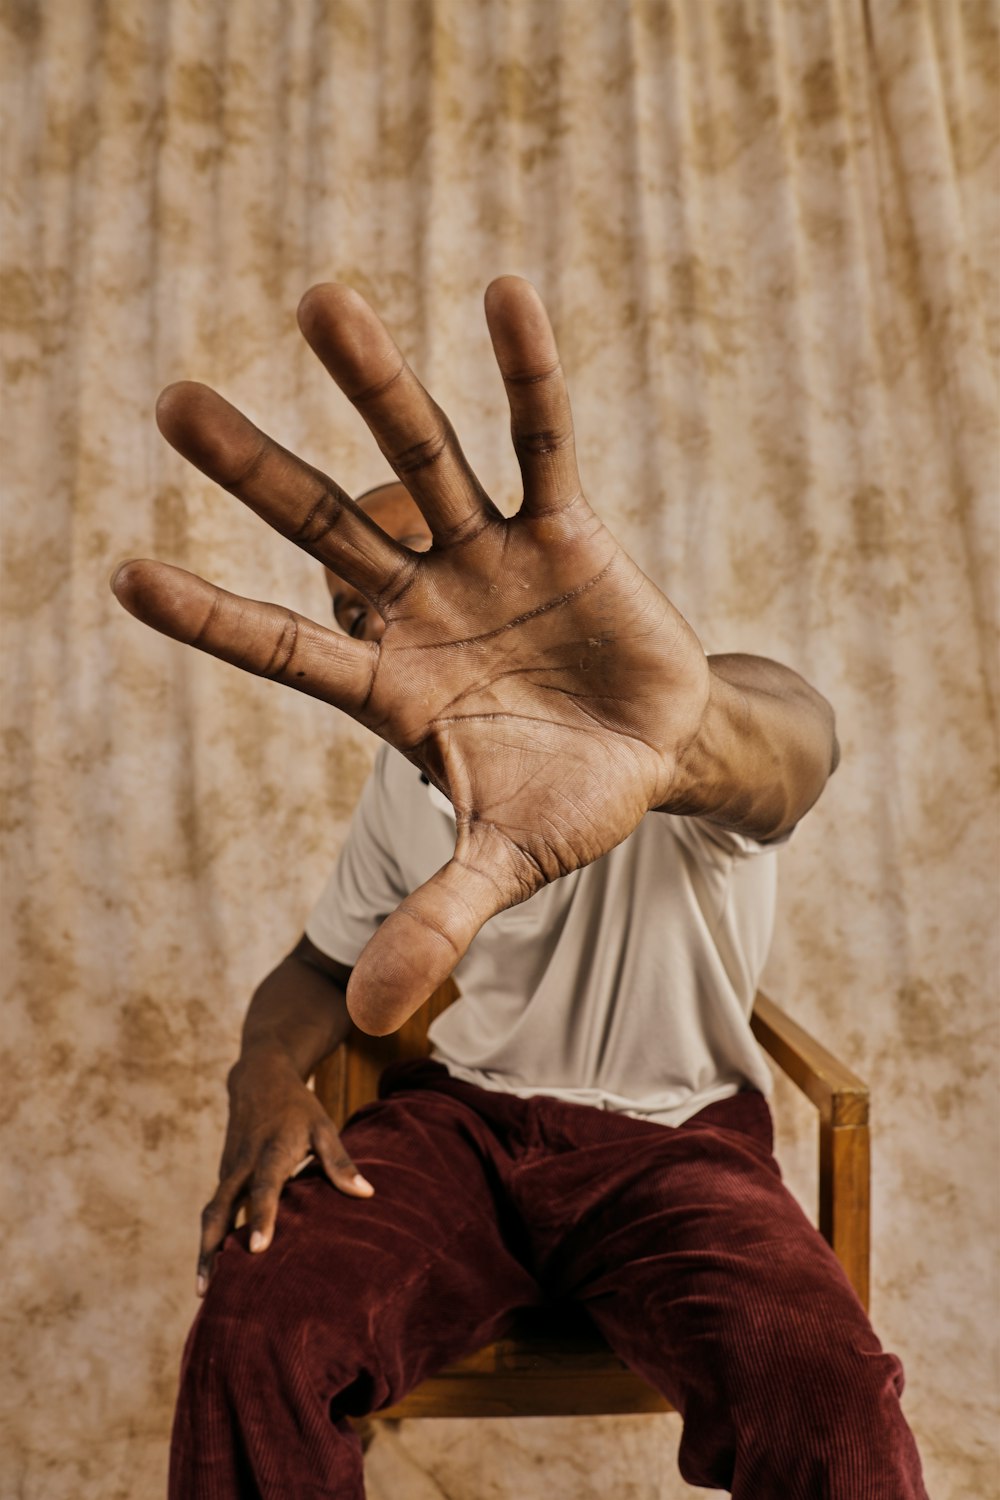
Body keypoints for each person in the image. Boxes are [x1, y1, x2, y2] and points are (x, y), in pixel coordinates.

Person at [112, 278, 928, 1498]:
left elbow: (787, 751)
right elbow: (321, 968)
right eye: (359, 612)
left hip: (678, 1146)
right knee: (256, 1325)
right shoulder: (405, 790)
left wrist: (675, 745)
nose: (390, 629)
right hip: (469, 1132)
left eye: (420, 579)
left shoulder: (671, 727)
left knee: (822, 1395)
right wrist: (262, 1076)